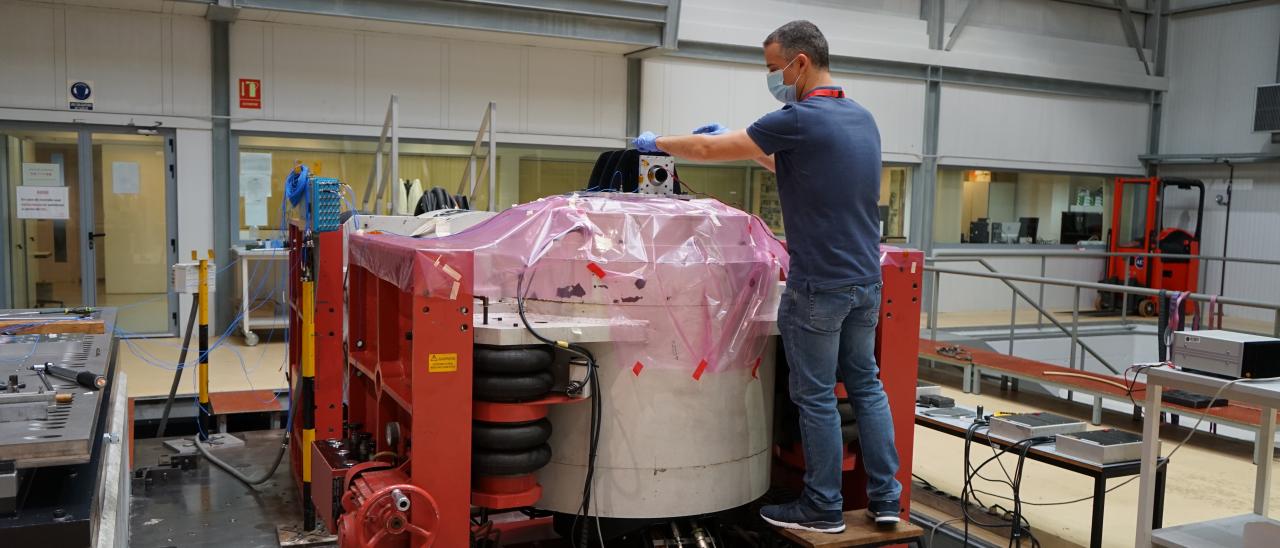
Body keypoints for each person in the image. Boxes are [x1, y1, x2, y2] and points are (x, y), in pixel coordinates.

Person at [632, 20, 900, 534]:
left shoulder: (799, 117)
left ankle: (822, 507)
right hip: (866, 283)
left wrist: (659, 142)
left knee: (817, 396)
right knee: (867, 387)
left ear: (800, 63)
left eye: (774, 68)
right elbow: (797, 169)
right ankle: (886, 499)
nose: (772, 78)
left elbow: (711, 152)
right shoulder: (861, 119)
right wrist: (753, 150)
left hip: (818, 287)